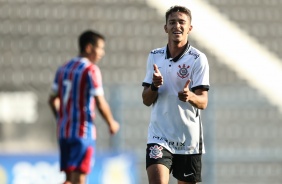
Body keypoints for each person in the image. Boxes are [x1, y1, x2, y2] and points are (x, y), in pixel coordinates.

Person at [142, 5, 210, 184]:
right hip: (159, 136)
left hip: (188, 140)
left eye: (182, 22)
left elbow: (203, 102)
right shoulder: (155, 56)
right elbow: (146, 99)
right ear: (166, 28)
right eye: (172, 22)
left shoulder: (198, 59)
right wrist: (154, 86)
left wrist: (190, 96)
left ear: (190, 28)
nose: (176, 26)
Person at [48, 30, 120, 184]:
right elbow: (100, 102)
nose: (102, 52)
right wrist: (111, 122)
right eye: (100, 48)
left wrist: (61, 118)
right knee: (79, 179)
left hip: (63, 133)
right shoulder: (91, 70)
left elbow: (52, 100)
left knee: (68, 179)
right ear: (89, 48)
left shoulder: (63, 69)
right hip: (82, 132)